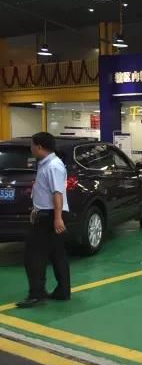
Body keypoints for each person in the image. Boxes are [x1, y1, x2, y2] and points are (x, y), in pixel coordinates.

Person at [17, 132, 70, 308]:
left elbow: (57, 193)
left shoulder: (53, 166)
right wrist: (36, 209)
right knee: (57, 253)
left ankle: (36, 294)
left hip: (50, 216)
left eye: (32, 145)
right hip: (47, 214)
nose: (31, 149)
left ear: (39, 147)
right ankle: (63, 290)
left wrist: (57, 218)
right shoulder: (46, 164)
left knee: (33, 255)